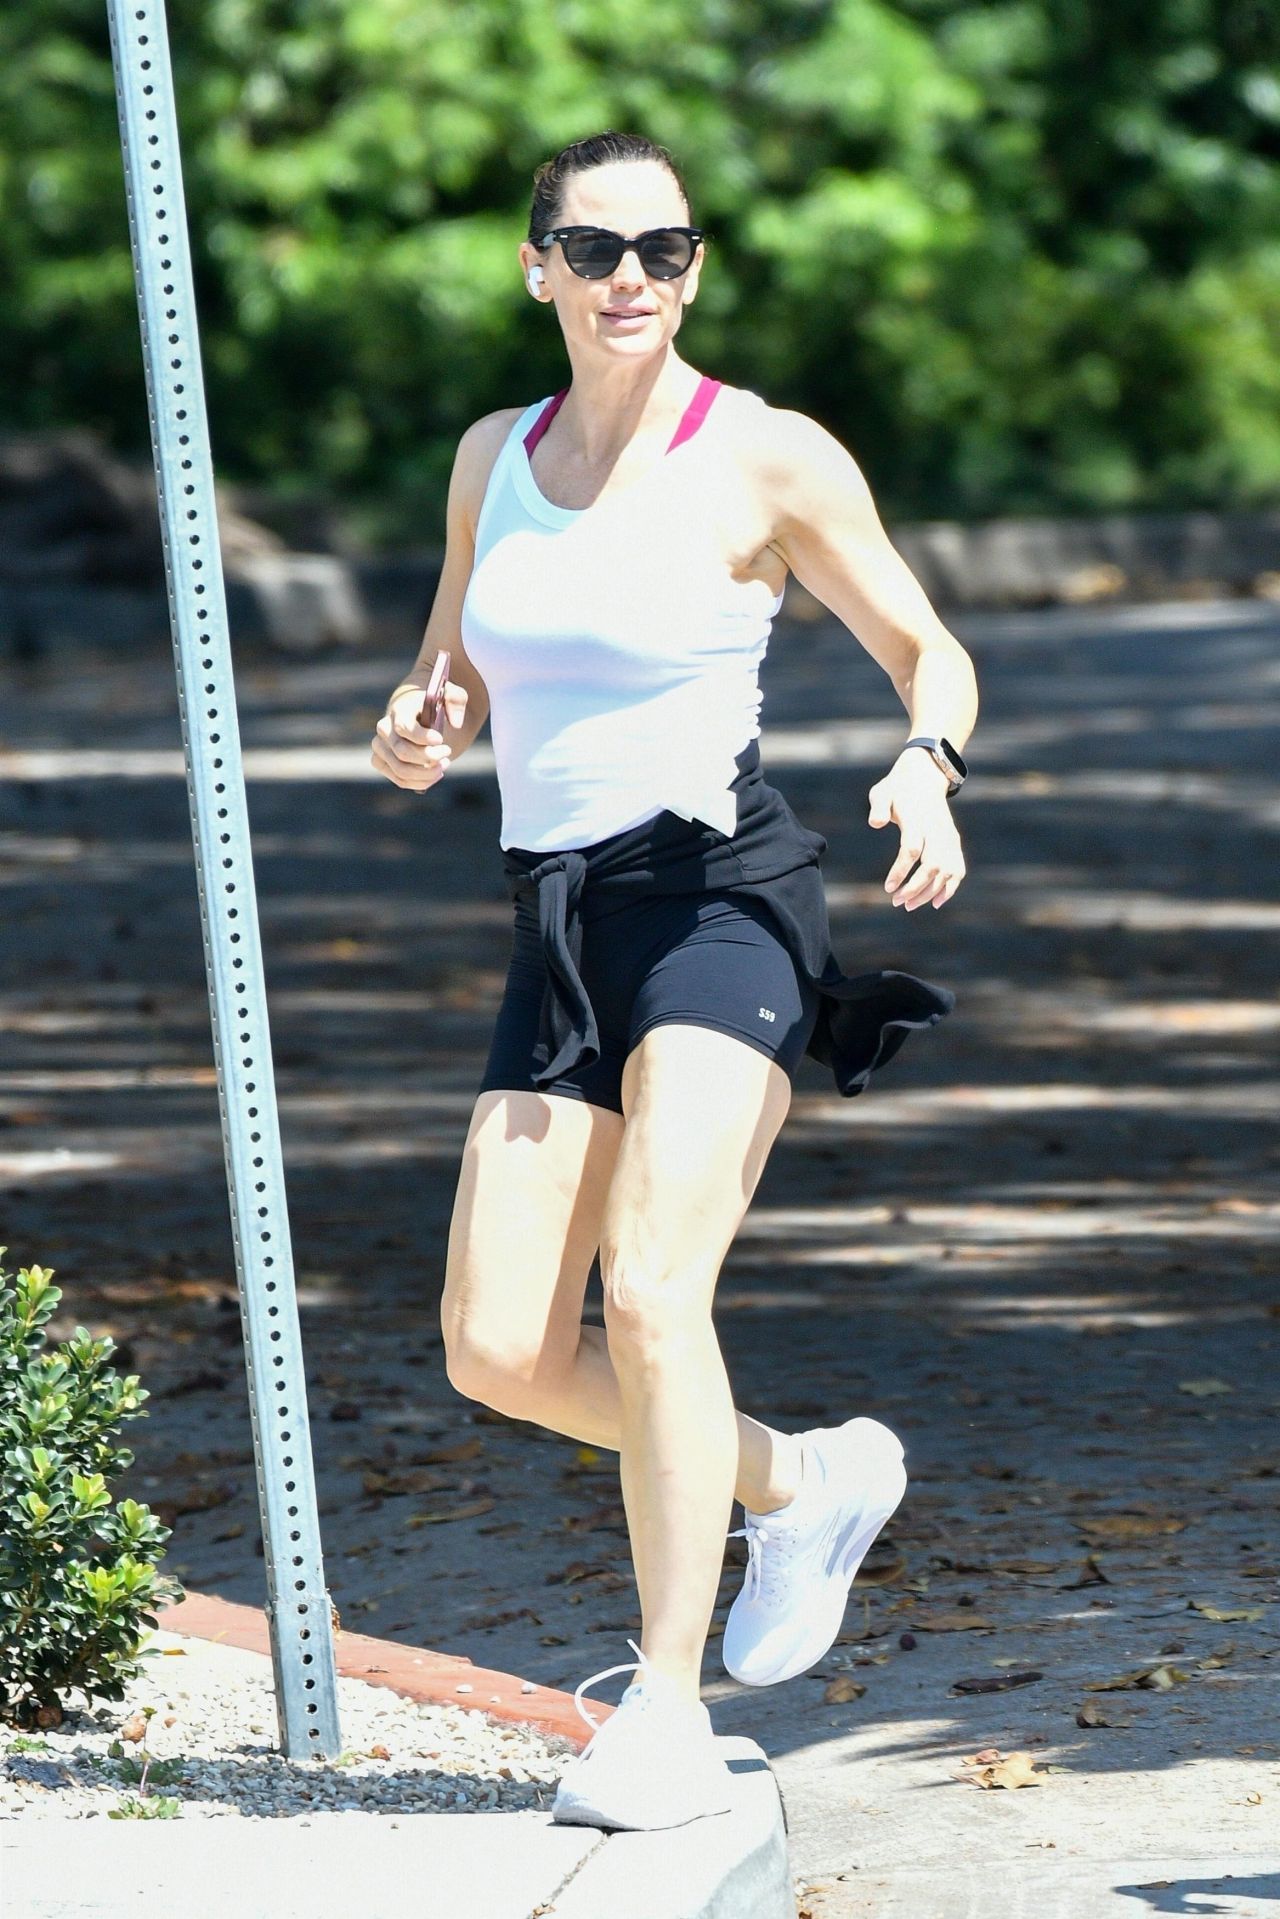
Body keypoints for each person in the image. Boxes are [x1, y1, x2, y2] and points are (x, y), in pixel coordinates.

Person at [371, 129, 978, 1833]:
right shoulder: (493, 453)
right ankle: (807, 1482)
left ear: (694, 270)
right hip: (557, 920)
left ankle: (664, 1708)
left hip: (723, 898)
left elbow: (931, 645)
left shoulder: (765, 459)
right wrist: (419, 731)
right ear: (537, 266)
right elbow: (448, 675)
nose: (632, 272)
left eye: (665, 246)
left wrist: (929, 759)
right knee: (497, 1347)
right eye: (595, 245)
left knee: (649, 1294)